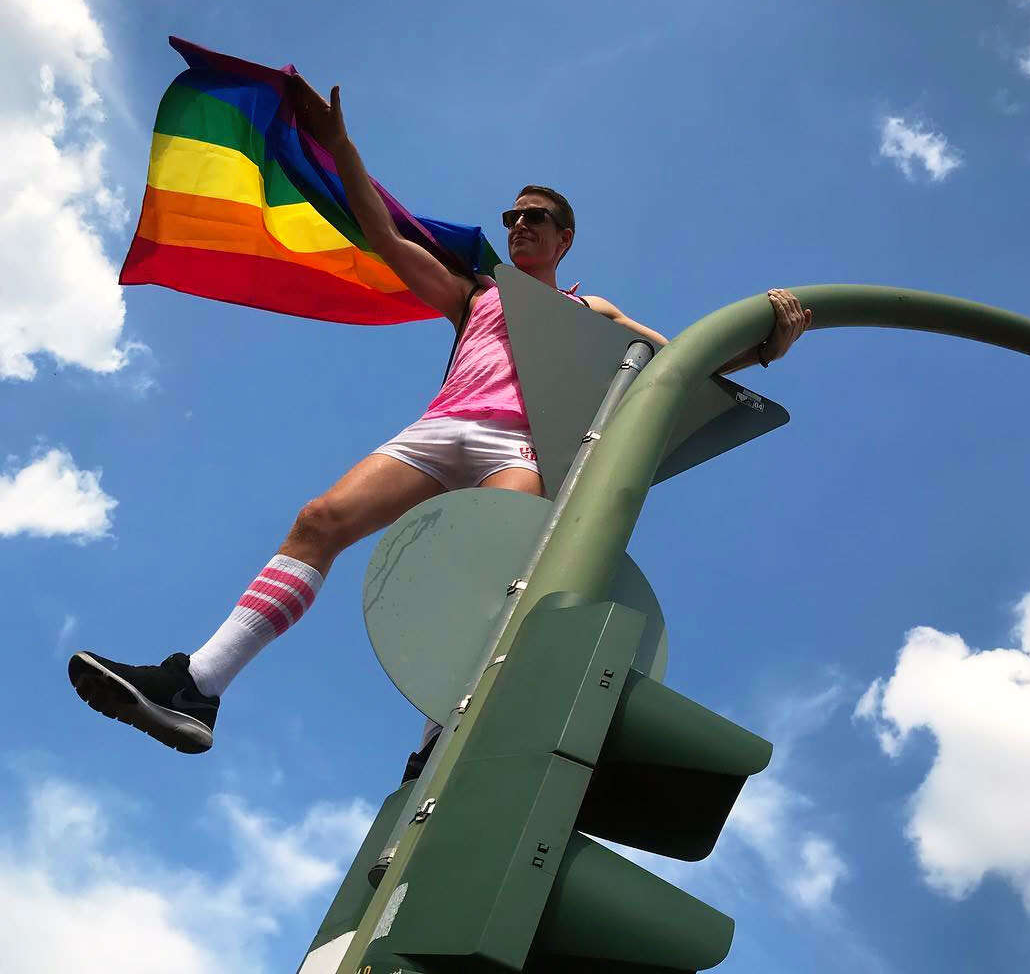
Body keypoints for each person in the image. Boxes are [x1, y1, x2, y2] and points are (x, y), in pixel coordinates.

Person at [68, 77, 812, 758]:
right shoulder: (476, 294)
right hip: (443, 428)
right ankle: (198, 685)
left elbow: (679, 364)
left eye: (536, 217)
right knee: (320, 520)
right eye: (512, 216)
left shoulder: (592, 310)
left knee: (494, 585)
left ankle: (438, 752)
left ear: (564, 239)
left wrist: (764, 347)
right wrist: (341, 146)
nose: (520, 225)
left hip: (521, 449)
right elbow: (384, 238)